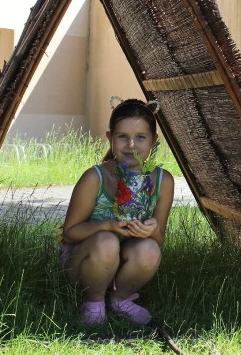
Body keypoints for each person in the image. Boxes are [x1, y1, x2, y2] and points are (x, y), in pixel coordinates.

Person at [60, 97, 175, 326]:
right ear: (110, 138)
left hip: (123, 262)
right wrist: (108, 225)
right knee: (106, 241)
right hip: (83, 263)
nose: (131, 145)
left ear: (154, 141)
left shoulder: (164, 181)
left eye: (140, 137)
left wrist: (150, 230)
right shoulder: (95, 178)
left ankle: (119, 299)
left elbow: (159, 238)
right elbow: (70, 233)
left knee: (150, 249)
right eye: (123, 137)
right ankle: (93, 301)